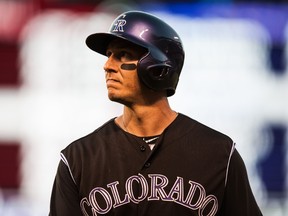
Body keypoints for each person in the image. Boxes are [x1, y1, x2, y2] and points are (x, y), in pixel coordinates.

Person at [49, 10, 263, 216]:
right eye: (109, 55)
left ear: (159, 67)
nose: (107, 66)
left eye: (123, 55)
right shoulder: (77, 159)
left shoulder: (220, 155)